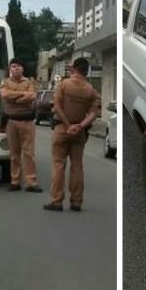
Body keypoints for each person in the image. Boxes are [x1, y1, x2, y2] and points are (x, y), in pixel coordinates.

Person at [44, 57, 100, 212]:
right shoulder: (90, 90)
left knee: (58, 164)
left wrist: (68, 126)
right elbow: (94, 113)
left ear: (74, 69)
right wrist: (80, 126)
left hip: (62, 129)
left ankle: (56, 201)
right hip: (79, 133)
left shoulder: (64, 85)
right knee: (77, 166)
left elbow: (57, 107)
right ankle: (76, 201)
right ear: (86, 71)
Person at [0, 58, 43, 193]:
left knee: (29, 153)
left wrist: (14, 99)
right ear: (10, 69)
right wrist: (22, 95)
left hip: (27, 122)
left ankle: (31, 182)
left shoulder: (29, 82)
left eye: (19, 66)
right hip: (11, 121)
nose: (16, 68)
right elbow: (4, 94)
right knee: (14, 154)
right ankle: (15, 181)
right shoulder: (4, 82)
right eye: (14, 66)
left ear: (23, 69)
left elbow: (32, 96)